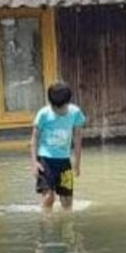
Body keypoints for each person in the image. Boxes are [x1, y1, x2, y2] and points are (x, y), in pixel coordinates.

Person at [31, 82, 86, 211]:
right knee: (49, 196)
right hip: (46, 160)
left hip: (64, 161)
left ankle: (66, 227)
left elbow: (77, 139)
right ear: (51, 104)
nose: (61, 111)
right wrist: (34, 162)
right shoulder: (43, 114)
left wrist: (77, 163)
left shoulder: (75, 113)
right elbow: (34, 138)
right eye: (57, 108)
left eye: (63, 107)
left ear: (68, 102)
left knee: (67, 200)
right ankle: (46, 223)